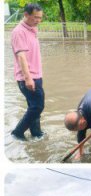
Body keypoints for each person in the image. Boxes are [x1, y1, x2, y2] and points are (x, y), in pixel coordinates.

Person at [10, 3, 45, 140]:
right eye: (35, 17)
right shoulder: (19, 32)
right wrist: (28, 78)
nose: (38, 20)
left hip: (36, 75)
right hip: (28, 77)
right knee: (37, 106)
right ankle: (17, 132)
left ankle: (36, 133)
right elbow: (21, 56)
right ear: (26, 15)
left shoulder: (32, 29)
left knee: (33, 106)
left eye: (40, 18)